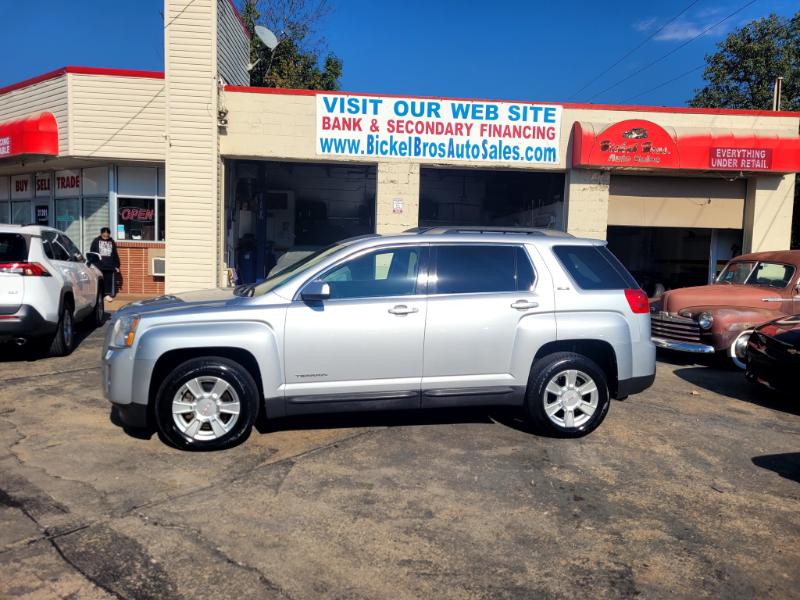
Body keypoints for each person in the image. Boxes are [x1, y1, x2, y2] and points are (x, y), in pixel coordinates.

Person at [90, 227, 120, 302]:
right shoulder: (96, 241)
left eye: (107, 235)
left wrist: (117, 265)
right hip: (98, 265)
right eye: (104, 235)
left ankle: (107, 295)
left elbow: (115, 254)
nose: (106, 236)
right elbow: (92, 252)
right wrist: (92, 263)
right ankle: (99, 295)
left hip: (109, 265)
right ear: (101, 234)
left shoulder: (112, 241)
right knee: (99, 281)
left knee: (108, 281)